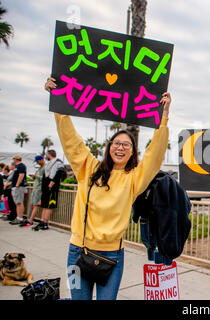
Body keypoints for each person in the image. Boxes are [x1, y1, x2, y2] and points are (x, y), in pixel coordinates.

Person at [45, 77, 171, 300]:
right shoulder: (88, 168)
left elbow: (154, 155)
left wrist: (164, 117)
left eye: (127, 145)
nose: (121, 147)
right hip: (76, 252)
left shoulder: (133, 179)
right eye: (116, 143)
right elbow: (71, 141)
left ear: (132, 152)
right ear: (109, 147)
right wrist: (58, 101)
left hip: (113, 255)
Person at [33, 150, 65, 231]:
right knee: (44, 204)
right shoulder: (49, 163)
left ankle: (45, 223)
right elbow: (44, 176)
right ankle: (42, 221)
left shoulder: (58, 162)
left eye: (46, 154)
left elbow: (60, 172)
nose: (46, 156)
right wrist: (43, 188)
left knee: (49, 205)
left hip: (52, 186)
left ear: (49, 154)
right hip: (46, 186)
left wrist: (52, 182)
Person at [21, 155, 46, 227]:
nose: (37, 163)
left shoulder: (45, 168)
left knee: (35, 205)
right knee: (32, 205)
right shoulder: (40, 168)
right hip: (36, 188)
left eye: (38, 161)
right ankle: (29, 219)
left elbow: (44, 179)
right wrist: (34, 177)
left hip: (39, 189)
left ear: (41, 160)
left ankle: (30, 220)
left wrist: (36, 177)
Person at [9, 155, 27, 225]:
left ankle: (20, 217)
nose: (13, 161)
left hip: (18, 187)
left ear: (16, 159)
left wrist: (17, 184)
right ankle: (18, 217)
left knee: (19, 202)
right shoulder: (17, 167)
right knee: (17, 203)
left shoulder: (21, 166)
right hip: (15, 187)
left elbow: (21, 175)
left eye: (14, 159)